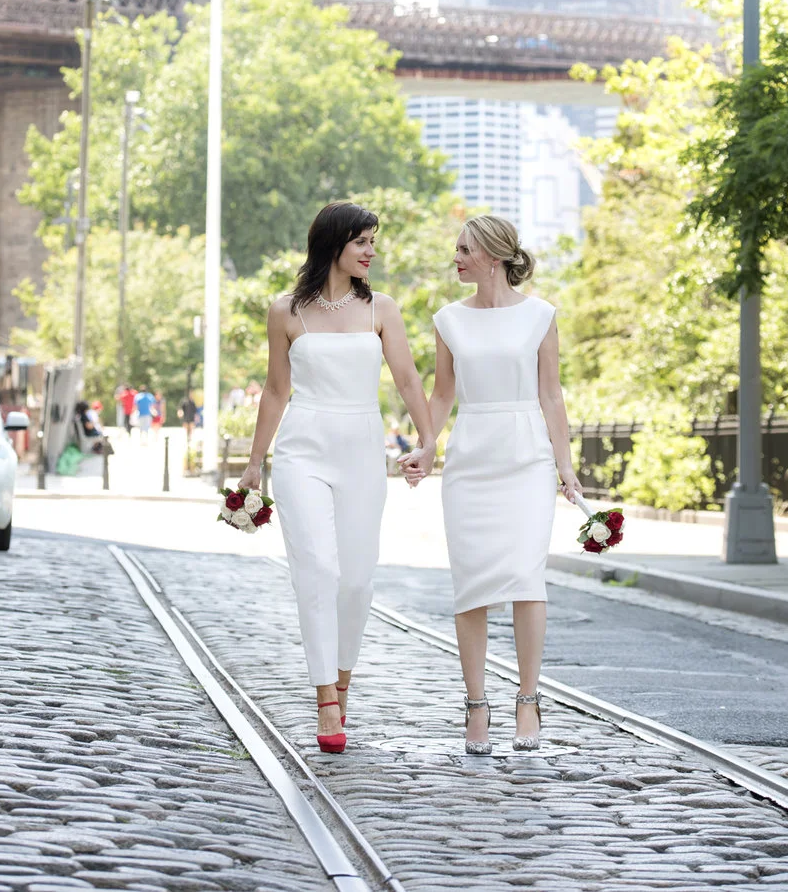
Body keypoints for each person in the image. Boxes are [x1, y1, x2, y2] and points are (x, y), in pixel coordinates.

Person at [238, 201, 435, 754]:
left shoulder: (382, 310)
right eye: (363, 242)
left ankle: (342, 680)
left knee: (356, 578)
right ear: (334, 244)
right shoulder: (286, 311)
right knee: (318, 568)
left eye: (374, 242)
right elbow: (277, 391)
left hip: (361, 448)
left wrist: (427, 440)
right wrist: (255, 462)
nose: (372, 252)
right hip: (302, 449)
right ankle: (325, 697)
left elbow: (407, 379)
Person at [400, 214, 584, 756]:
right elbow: (441, 395)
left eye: (463, 250)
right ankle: (476, 705)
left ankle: (528, 701)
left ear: (495, 256)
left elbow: (552, 395)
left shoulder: (541, 315)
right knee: (473, 582)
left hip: (526, 456)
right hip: (471, 458)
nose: (455, 258)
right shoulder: (448, 319)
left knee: (527, 577)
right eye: (455, 249)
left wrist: (564, 466)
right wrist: (426, 445)